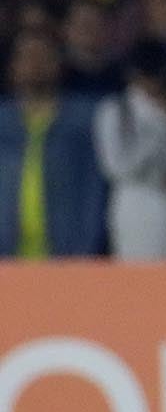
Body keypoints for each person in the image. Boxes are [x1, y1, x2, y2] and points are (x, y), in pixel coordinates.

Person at [0, 28, 107, 258]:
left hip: (66, 254)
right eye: (27, 57)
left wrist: (86, 248)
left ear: (58, 64)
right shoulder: (2, 122)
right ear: (13, 67)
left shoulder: (84, 120)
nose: (35, 64)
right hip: (8, 254)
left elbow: (94, 191)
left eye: (43, 57)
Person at [95, 39, 166, 260]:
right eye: (147, 74)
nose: (153, 81)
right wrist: (162, 127)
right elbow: (116, 168)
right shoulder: (116, 110)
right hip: (135, 203)